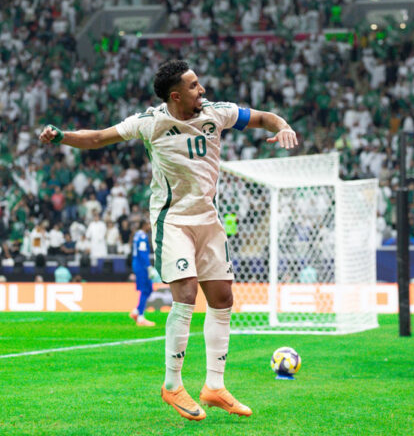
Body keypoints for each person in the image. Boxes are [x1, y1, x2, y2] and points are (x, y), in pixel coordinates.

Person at [39, 59, 298, 421]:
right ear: (175, 96)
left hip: (209, 220)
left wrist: (283, 126)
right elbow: (97, 138)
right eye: (193, 86)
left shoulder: (217, 113)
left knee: (223, 298)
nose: (201, 90)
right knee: (186, 294)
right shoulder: (150, 122)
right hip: (173, 221)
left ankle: (214, 386)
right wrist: (61, 136)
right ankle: (173, 385)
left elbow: (264, 118)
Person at [130, 219, 157, 327]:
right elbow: (142, 253)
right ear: (144, 225)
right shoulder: (142, 236)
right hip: (142, 266)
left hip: (138, 264)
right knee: (145, 289)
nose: (150, 226)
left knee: (148, 289)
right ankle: (140, 317)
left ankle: (136, 311)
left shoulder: (137, 235)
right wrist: (148, 266)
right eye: (148, 224)